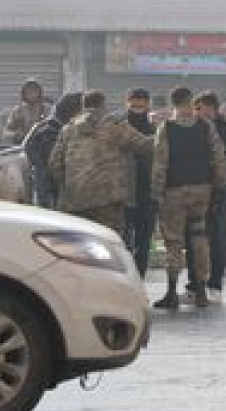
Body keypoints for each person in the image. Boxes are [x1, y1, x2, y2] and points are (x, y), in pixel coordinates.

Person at [151, 86, 226, 310]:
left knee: (173, 242)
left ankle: (172, 292)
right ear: (191, 101)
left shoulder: (166, 128)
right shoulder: (205, 126)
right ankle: (201, 290)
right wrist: (219, 186)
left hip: (174, 191)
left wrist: (155, 193)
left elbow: (160, 163)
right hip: (201, 190)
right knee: (199, 238)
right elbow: (218, 156)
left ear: (172, 103)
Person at [49, 90, 152, 242]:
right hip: (108, 201)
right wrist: (164, 133)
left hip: (74, 201)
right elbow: (143, 145)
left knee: (79, 246)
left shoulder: (68, 129)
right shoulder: (114, 125)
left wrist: (69, 186)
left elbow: (54, 164)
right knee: (109, 244)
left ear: (83, 106)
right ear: (103, 105)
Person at [193, 92, 226, 296]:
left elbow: (224, 158)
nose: (199, 113)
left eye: (202, 109)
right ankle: (198, 283)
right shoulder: (199, 127)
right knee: (198, 237)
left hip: (215, 189)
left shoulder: (219, 129)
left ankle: (214, 283)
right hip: (200, 187)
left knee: (216, 236)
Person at [22, 93, 83, 209]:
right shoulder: (52, 133)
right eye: (81, 111)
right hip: (51, 194)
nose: (83, 116)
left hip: (49, 191)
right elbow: (53, 168)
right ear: (72, 112)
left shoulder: (47, 127)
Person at [121, 88, 158, 274]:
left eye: (141, 106)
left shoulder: (155, 129)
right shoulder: (118, 127)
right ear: (126, 103)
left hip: (147, 193)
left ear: (147, 105)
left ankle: (139, 279)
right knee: (122, 244)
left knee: (143, 243)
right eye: (134, 105)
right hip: (122, 193)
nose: (137, 110)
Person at [2, 78, 48, 147]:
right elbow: (6, 132)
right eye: (29, 91)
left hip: (41, 146)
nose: (32, 93)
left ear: (39, 93)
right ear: (24, 93)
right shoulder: (17, 110)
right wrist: (16, 134)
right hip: (21, 147)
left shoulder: (46, 110)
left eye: (35, 90)